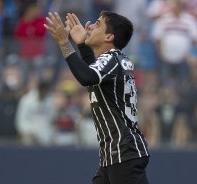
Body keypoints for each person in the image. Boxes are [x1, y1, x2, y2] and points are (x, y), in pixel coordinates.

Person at [44, 10, 149, 184]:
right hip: (115, 154)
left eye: (98, 24)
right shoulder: (116, 60)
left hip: (123, 153)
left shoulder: (112, 59)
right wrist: (82, 45)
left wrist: (64, 42)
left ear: (109, 37)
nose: (90, 26)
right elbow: (93, 76)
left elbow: (87, 78)